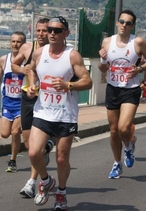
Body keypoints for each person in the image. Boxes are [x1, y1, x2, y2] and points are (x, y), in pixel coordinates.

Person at [27, 16, 92, 210]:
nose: (52, 33)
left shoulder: (72, 56)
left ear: (66, 33)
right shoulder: (39, 53)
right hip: (43, 112)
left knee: (62, 159)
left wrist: (68, 85)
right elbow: (31, 70)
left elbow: (87, 81)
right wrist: (32, 86)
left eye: (57, 30)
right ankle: (46, 181)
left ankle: (61, 193)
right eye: (49, 30)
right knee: (33, 153)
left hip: (65, 115)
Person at [98, 9, 146, 179]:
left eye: (128, 23)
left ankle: (129, 146)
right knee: (114, 130)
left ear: (132, 26)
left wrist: (139, 68)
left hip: (130, 89)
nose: (124, 25)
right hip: (113, 88)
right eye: (121, 21)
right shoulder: (107, 42)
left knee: (124, 127)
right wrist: (102, 59)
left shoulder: (137, 42)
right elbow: (103, 69)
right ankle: (117, 163)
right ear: (117, 23)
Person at [11, 18, 54, 198]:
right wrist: (25, 71)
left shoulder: (55, 50)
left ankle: (32, 182)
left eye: (45, 30)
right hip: (27, 97)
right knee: (29, 144)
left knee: (36, 145)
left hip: (45, 98)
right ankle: (45, 150)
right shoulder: (28, 48)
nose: (41, 34)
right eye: (39, 31)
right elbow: (14, 64)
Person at [0, 31, 26, 172]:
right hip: (7, 102)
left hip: (21, 103)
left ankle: (13, 160)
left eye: (18, 42)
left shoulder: (27, 61)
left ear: (23, 44)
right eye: (13, 41)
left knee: (15, 132)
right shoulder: (3, 60)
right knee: (5, 134)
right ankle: (26, 129)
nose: (15, 44)